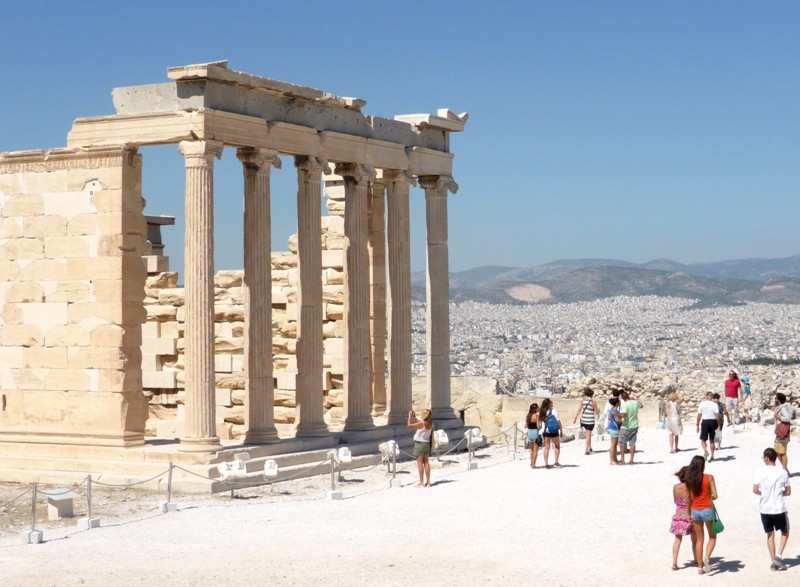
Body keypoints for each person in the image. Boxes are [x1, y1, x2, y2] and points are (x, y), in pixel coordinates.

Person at [753, 447, 791, 571]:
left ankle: (773, 560)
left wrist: (764, 494)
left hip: (765, 508)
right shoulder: (783, 472)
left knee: (770, 535)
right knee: (785, 532)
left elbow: (755, 490)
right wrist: (779, 494)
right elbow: (788, 491)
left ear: (767, 458)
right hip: (779, 507)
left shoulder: (760, 471)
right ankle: (779, 556)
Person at [687, 455, 718, 575]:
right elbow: (715, 496)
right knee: (712, 537)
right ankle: (707, 557)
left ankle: (700, 567)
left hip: (695, 510)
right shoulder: (709, 477)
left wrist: (689, 514)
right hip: (707, 509)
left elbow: (690, 498)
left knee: (699, 540)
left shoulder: (690, 480)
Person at [670, 465, 696, 570]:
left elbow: (675, 501)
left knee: (677, 540)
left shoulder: (675, 487)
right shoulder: (690, 488)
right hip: (689, 515)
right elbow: (691, 501)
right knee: (694, 539)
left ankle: (674, 563)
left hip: (678, 515)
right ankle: (696, 559)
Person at [407, 409, 432, 487]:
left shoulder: (422, 423)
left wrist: (409, 417)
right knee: (426, 463)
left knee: (420, 464)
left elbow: (409, 426)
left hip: (420, 444)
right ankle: (428, 482)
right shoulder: (430, 423)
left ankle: (421, 483)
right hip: (426, 444)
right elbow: (420, 423)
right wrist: (414, 417)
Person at [619, 391, 642, 465]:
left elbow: (623, 414)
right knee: (632, 443)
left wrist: (616, 414)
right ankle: (631, 460)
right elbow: (641, 406)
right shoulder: (635, 403)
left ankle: (622, 460)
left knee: (622, 443)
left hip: (626, 426)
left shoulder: (625, 404)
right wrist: (635, 399)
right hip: (634, 425)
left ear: (622, 398)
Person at [573, 387, 598, 455]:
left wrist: (575, 418)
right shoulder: (593, 402)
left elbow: (579, 410)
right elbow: (596, 412)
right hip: (590, 421)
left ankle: (590, 447)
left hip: (583, 420)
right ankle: (586, 450)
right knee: (588, 435)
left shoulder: (582, 401)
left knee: (587, 435)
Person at [696, 392, 720, 462]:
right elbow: (717, 415)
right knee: (712, 440)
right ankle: (712, 456)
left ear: (706, 396)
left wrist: (697, 424)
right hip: (713, 421)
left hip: (705, 421)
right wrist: (719, 424)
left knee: (703, 439)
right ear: (712, 397)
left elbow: (699, 415)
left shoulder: (702, 404)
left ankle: (706, 450)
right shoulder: (714, 404)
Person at [539, 398, 562, 468]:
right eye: (551, 402)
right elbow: (558, 421)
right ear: (549, 404)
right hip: (554, 430)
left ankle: (546, 464)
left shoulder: (542, 412)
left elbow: (541, 422)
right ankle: (556, 462)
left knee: (546, 448)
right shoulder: (554, 411)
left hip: (546, 431)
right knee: (557, 446)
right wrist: (561, 430)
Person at [774, 393, 793, 471]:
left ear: (778, 399)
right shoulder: (780, 407)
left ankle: (784, 469)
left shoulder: (783, 408)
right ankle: (785, 468)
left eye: (775, 398)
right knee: (777, 451)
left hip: (783, 432)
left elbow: (787, 418)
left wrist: (778, 416)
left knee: (782, 452)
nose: (774, 400)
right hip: (779, 432)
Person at [525, 402, 540, 469]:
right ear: (535, 409)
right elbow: (538, 426)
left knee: (531, 450)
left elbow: (525, 425)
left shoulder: (528, 415)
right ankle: (534, 464)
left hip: (529, 432)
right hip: (535, 432)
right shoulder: (536, 415)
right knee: (536, 450)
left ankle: (531, 462)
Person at [607, 397, 622, 465]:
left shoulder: (612, 409)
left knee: (614, 445)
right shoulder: (616, 411)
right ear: (617, 403)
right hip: (614, 428)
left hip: (611, 427)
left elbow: (609, 417)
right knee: (613, 445)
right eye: (619, 401)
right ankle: (612, 460)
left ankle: (614, 459)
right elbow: (618, 421)